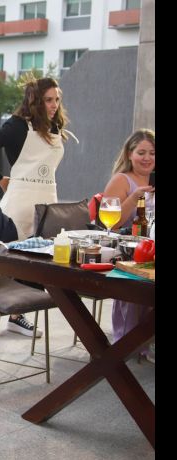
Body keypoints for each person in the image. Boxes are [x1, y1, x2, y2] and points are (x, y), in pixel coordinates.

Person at [0, 76, 76, 338]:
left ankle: (18, 318)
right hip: (19, 203)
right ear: (35, 101)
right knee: (3, 261)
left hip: (46, 202)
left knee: (38, 261)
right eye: (48, 100)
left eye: (57, 100)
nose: (54, 105)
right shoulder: (18, 127)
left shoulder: (54, 128)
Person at [101, 128, 155, 345]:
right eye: (141, 152)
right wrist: (133, 198)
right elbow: (111, 223)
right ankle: (130, 342)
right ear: (129, 154)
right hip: (128, 253)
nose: (147, 158)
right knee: (137, 288)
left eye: (152, 152)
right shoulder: (122, 180)